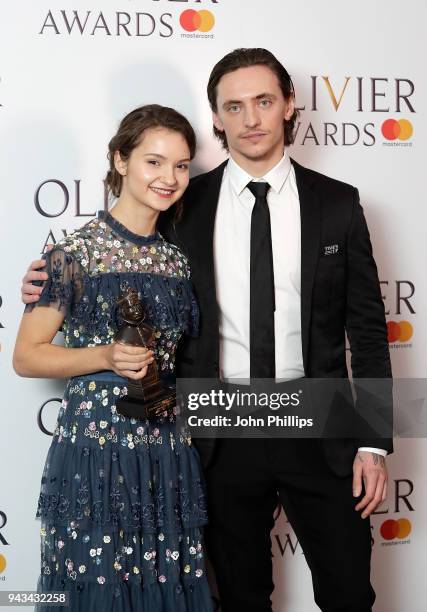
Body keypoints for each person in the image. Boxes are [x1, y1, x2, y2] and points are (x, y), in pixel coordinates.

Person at [21, 49, 392, 612]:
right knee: (240, 597)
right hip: (218, 428)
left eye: (264, 102)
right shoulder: (184, 206)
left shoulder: (338, 204)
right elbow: (121, 250)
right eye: (234, 106)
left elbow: (366, 330)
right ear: (216, 117)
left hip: (320, 424)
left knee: (349, 592)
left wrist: (372, 440)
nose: (251, 119)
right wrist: (48, 280)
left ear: (289, 106)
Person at [14, 104, 214, 611]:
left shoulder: (178, 259)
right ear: (120, 160)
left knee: (165, 584)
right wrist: (103, 354)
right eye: (154, 161)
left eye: (181, 165)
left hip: (166, 448)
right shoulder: (71, 254)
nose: (168, 177)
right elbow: (27, 357)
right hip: (96, 452)